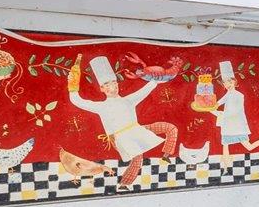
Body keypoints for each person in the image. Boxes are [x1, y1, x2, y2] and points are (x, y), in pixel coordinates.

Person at [68, 55, 177, 187]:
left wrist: (160, 78)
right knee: (137, 158)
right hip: (122, 137)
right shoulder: (101, 106)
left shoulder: (128, 100)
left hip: (137, 130)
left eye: (114, 83)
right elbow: (76, 100)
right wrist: (72, 85)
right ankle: (124, 184)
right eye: (107, 85)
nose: (113, 87)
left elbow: (147, 89)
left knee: (170, 128)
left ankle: (166, 155)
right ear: (102, 89)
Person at [202, 60, 259, 154]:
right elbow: (217, 104)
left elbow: (235, 112)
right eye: (225, 83)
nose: (227, 85)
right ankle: (225, 165)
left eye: (229, 82)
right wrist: (207, 105)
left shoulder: (239, 95)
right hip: (228, 126)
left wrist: (217, 112)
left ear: (234, 81)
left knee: (249, 147)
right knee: (225, 148)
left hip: (237, 126)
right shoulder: (228, 94)